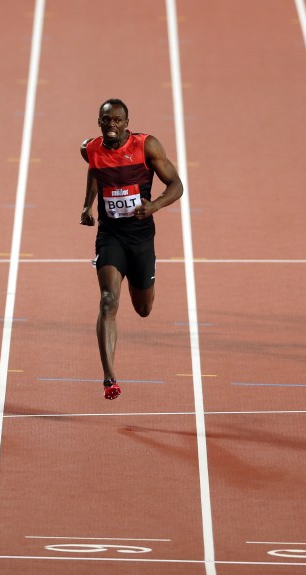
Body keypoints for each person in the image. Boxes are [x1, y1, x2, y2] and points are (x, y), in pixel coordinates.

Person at [79, 99, 183, 400]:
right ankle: (109, 377)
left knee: (143, 309)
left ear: (126, 122)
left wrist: (154, 206)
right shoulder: (91, 148)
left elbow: (176, 185)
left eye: (117, 120)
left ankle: (146, 275)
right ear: (99, 121)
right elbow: (94, 171)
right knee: (108, 301)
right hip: (110, 236)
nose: (111, 124)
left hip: (141, 239)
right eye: (106, 119)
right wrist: (88, 205)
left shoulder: (146, 146)